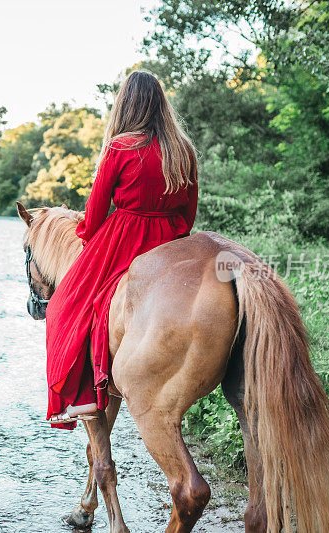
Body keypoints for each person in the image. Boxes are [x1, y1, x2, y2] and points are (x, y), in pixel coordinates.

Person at [45, 71, 198, 428]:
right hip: (171, 238)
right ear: (161, 103)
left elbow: (96, 212)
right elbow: (188, 213)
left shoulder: (121, 147)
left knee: (64, 307)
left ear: (126, 104)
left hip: (124, 236)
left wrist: (85, 233)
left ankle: (83, 401)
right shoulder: (183, 150)